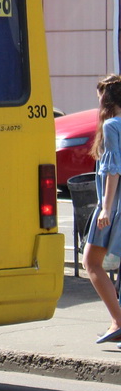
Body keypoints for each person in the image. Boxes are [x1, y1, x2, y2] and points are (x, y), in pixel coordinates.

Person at [84, 74, 121, 344]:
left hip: (113, 205)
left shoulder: (111, 126)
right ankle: (115, 322)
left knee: (91, 263)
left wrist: (105, 209)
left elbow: (112, 170)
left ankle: (118, 321)